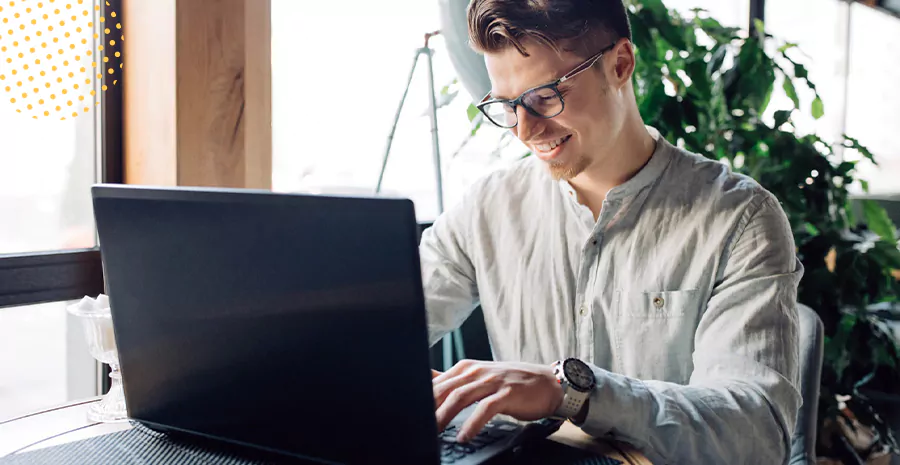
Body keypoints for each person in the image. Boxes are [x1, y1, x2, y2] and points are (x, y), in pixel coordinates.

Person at [420, 0, 803, 463]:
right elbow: (385, 329)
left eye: (545, 96)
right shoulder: (486, 208)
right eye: (506, 105)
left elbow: (756, 433)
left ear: (619, 64)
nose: (524, 130)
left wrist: (571, 392)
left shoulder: (740, 219)